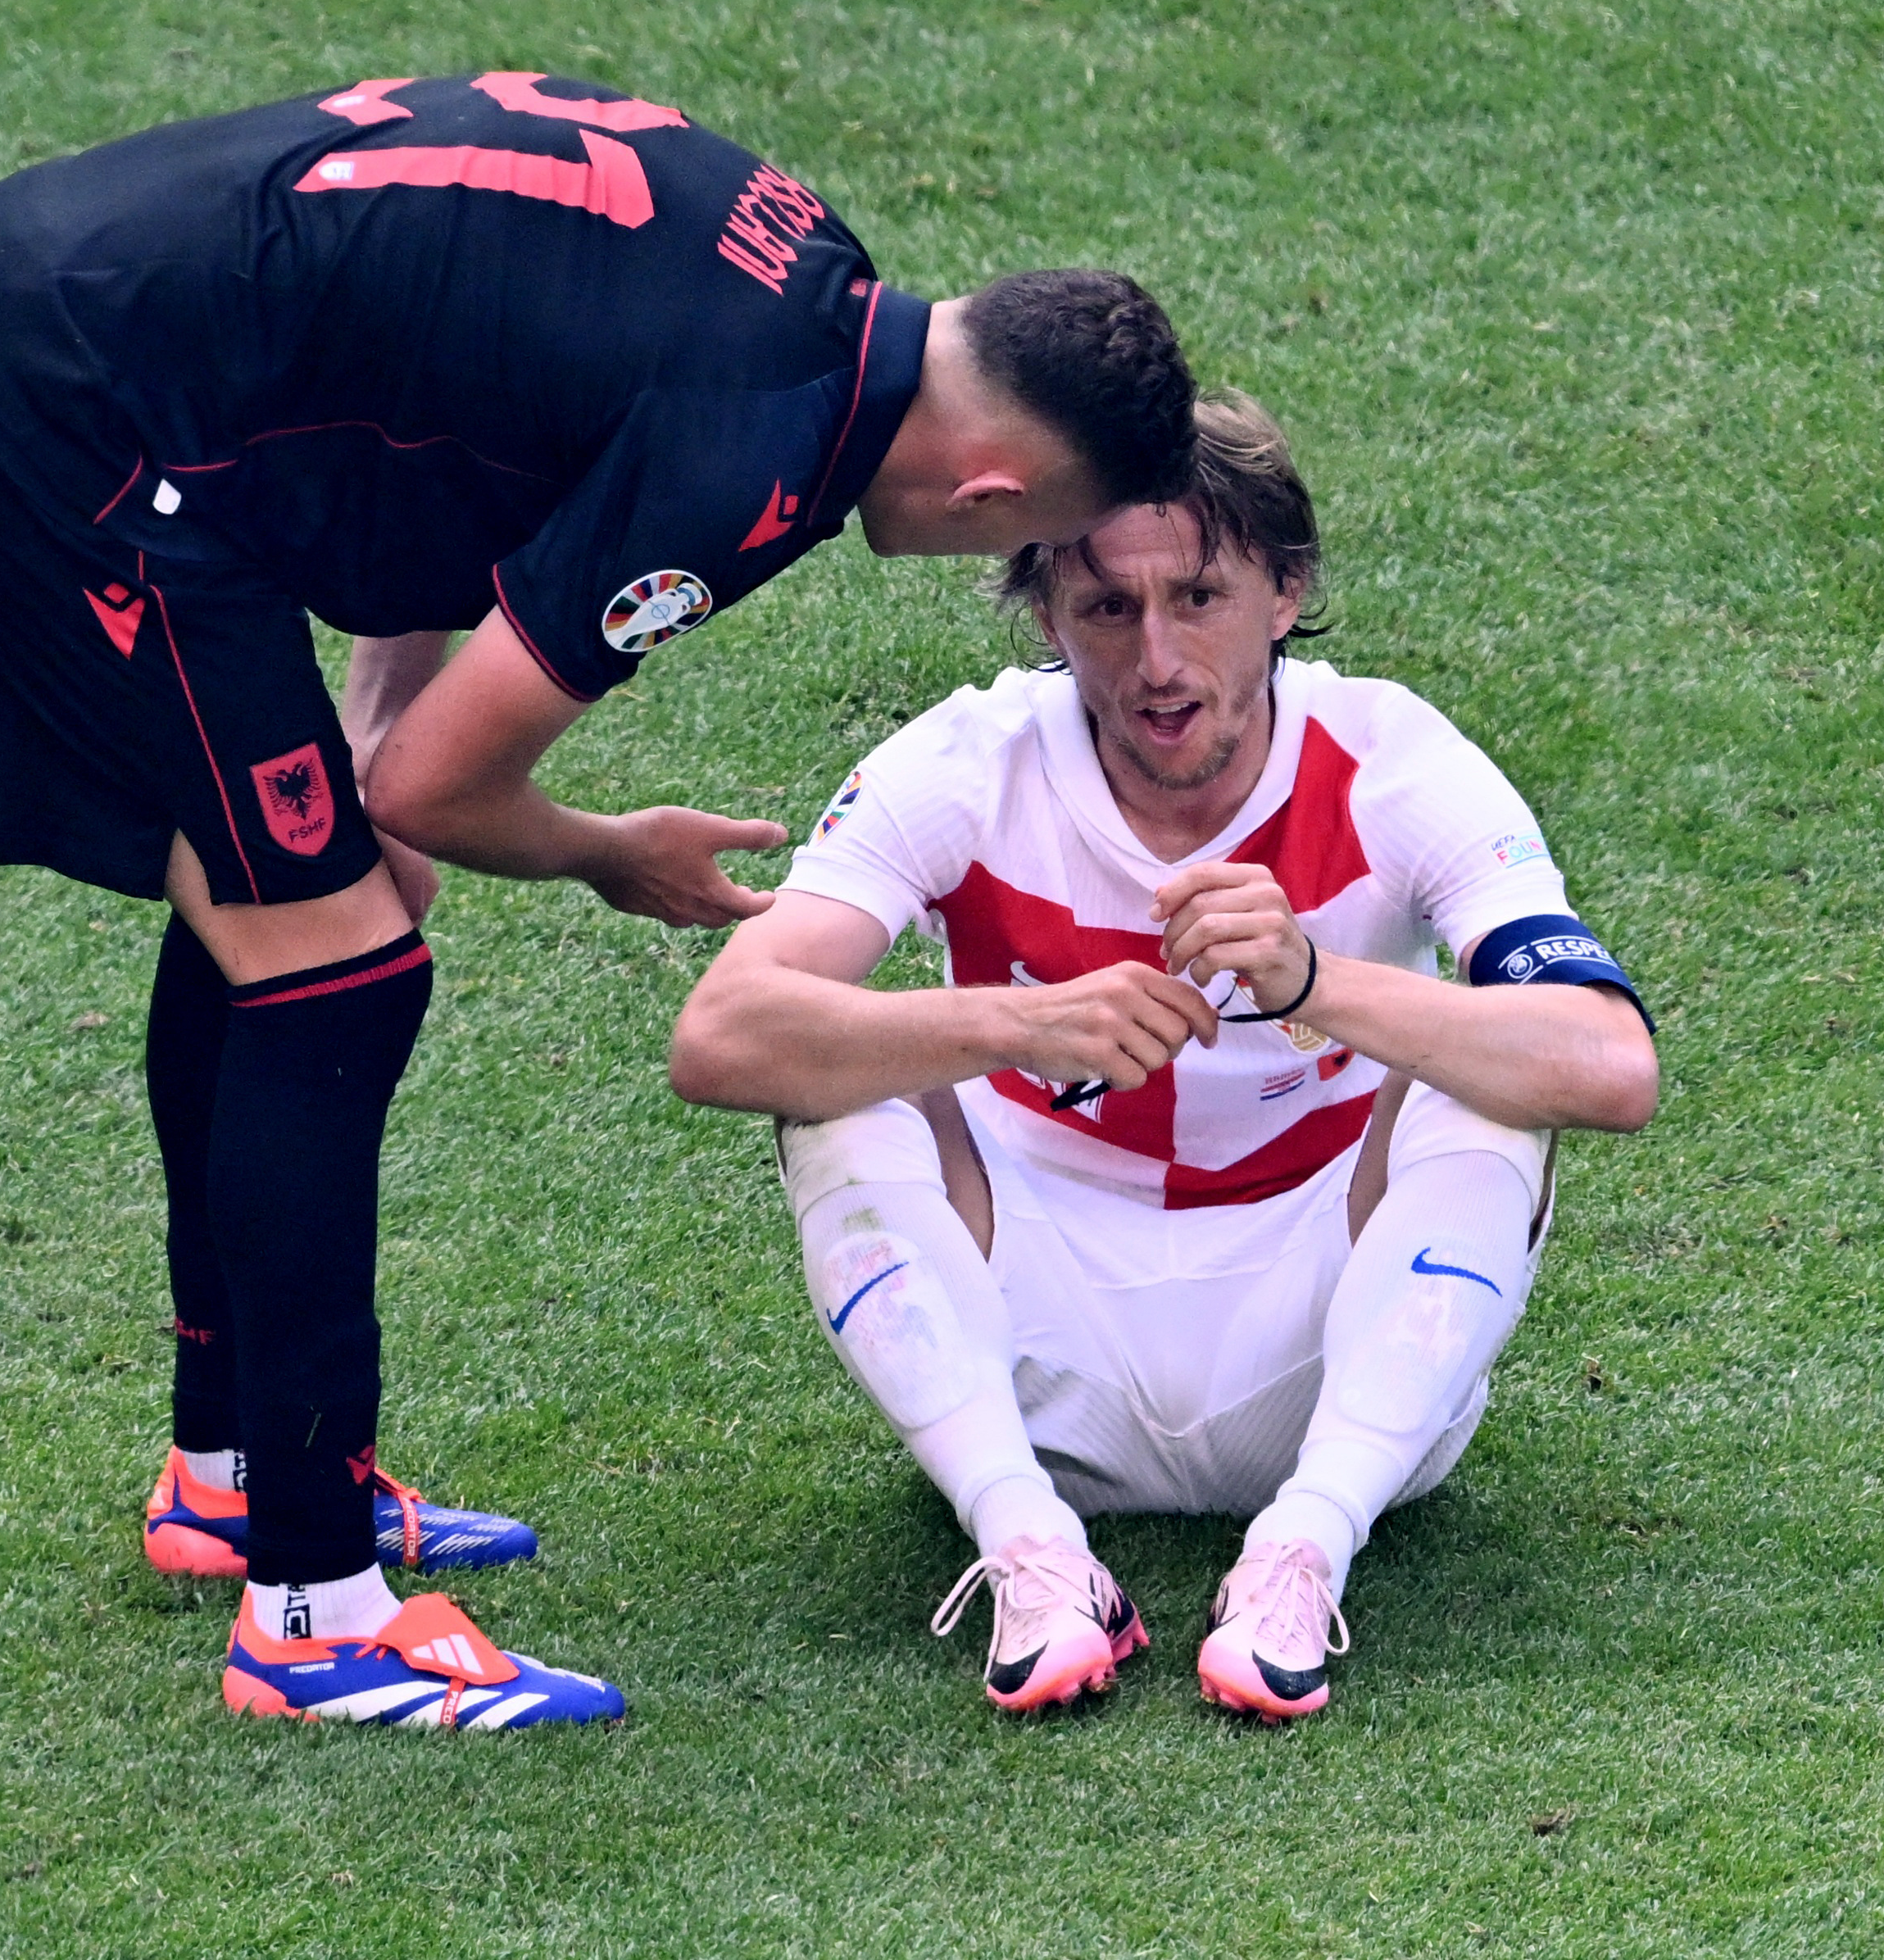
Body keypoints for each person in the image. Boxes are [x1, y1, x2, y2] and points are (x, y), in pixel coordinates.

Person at [0, 70, 1198, 1730]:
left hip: (55, 315)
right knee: (338, 971)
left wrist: (374, 714)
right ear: (988, 496)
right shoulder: (755, 457)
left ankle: (235, 1475)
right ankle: (313, 1616)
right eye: (1036, 552)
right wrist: (604, 851)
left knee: (285, 905)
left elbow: (423, 405)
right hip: (63, 412)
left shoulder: (808, 267)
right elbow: (441, 791)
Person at [668, 393, 1657, 1719]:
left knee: (1495, 1074)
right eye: (1107, 608)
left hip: (1331, 1352)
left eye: (1198, 597)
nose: (1157, 660)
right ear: (1046, 616)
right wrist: (1019, 1023)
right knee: (832, 1075)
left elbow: (1611, 1063)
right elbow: (721, 1034)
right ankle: (1030, 1551)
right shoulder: (966, 761)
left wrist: (1317, 980)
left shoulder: (1392, 761)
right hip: (1035, 1364)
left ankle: (1304, 1548)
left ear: (1286, 592)